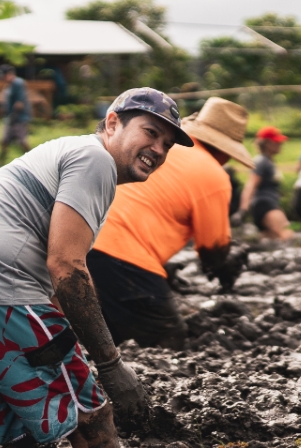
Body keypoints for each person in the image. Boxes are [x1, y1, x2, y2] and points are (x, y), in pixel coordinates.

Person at [0, 88, 190, 448]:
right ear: (113, 123)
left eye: (167, 143)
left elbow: (54, 283)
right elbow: (66, 265)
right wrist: (110, 366)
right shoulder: (95, 159)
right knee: (91, 419)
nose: (158, 149)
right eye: (149, 132)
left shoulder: (65, 151)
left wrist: (66, 341)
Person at [90, 97, 254, 349]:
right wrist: (230, 265)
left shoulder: (161, 151)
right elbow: (213, 252)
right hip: (125, 258)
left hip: (85, 238)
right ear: (226, 151)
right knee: (167, 341)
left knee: (107, 335)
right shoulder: (214, 175)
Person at [241, 126, 294, 241]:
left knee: (272, 238)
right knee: (287, 236)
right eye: (277, 142)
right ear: (267, 144)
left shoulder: (269, 161)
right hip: (264, 205)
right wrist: (243, 209)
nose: (281, 144)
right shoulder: (261, 161)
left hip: (269, 204)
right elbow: (251, 185)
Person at [0, 64, 31, 167]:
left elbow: (19, 104)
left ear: (9, 74)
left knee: (22, 141)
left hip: (18, 118)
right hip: (10, 118)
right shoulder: (9, 85)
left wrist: (13, 117)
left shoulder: (18, 83)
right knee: (4, 141)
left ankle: (33, 163)